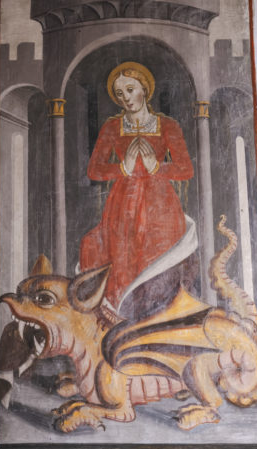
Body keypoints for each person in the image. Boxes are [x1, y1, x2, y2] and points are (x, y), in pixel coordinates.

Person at [79, 62, 194, 310]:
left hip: (160, 204)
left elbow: (186, 169)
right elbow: (94, 169)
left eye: (130, 90)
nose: (126, 99)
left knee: (155, 256)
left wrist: (157, 167)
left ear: (144, 88)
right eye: (120, 94)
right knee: (122, 256)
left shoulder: (167, 126)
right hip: (123, 202)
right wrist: (122, 168)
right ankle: (123, 313)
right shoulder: (112, 127)